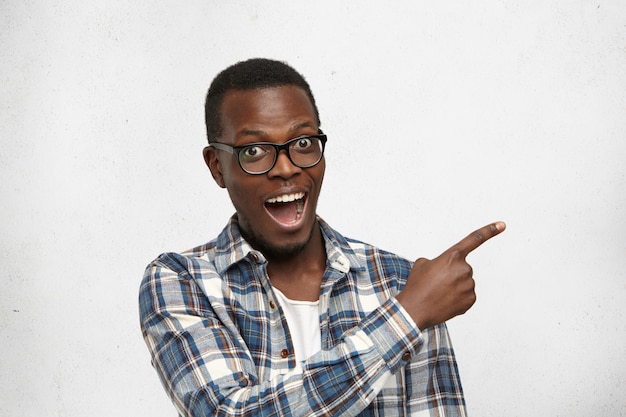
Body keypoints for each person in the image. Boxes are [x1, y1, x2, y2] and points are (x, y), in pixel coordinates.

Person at [139, 58, 505, 417]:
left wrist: (412, 305)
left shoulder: (403, 282)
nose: (286, 167)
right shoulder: (182, 281)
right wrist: (406, 318)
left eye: (302, 143)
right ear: (217, 166)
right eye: (254, 151)